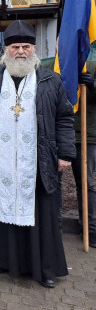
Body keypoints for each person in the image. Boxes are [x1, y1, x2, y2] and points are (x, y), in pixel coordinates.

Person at [0, 20, 74, 288]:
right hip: (1, 161)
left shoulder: (50, 79)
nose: (21, 52)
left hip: (38, 160)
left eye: (26, 46)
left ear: (34, 48)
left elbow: (64, 118)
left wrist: (65, 153)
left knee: (41, 213)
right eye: (15, 47)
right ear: (6, 50)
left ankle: (44, 267)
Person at [72, 69, 96, 247]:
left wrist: (94, 86)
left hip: (86, 136)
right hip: (59, 133)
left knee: (85, 183)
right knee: (52, 183)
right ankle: (53, 226)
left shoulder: (92, 66)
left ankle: (90, 228)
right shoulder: (54, 66)